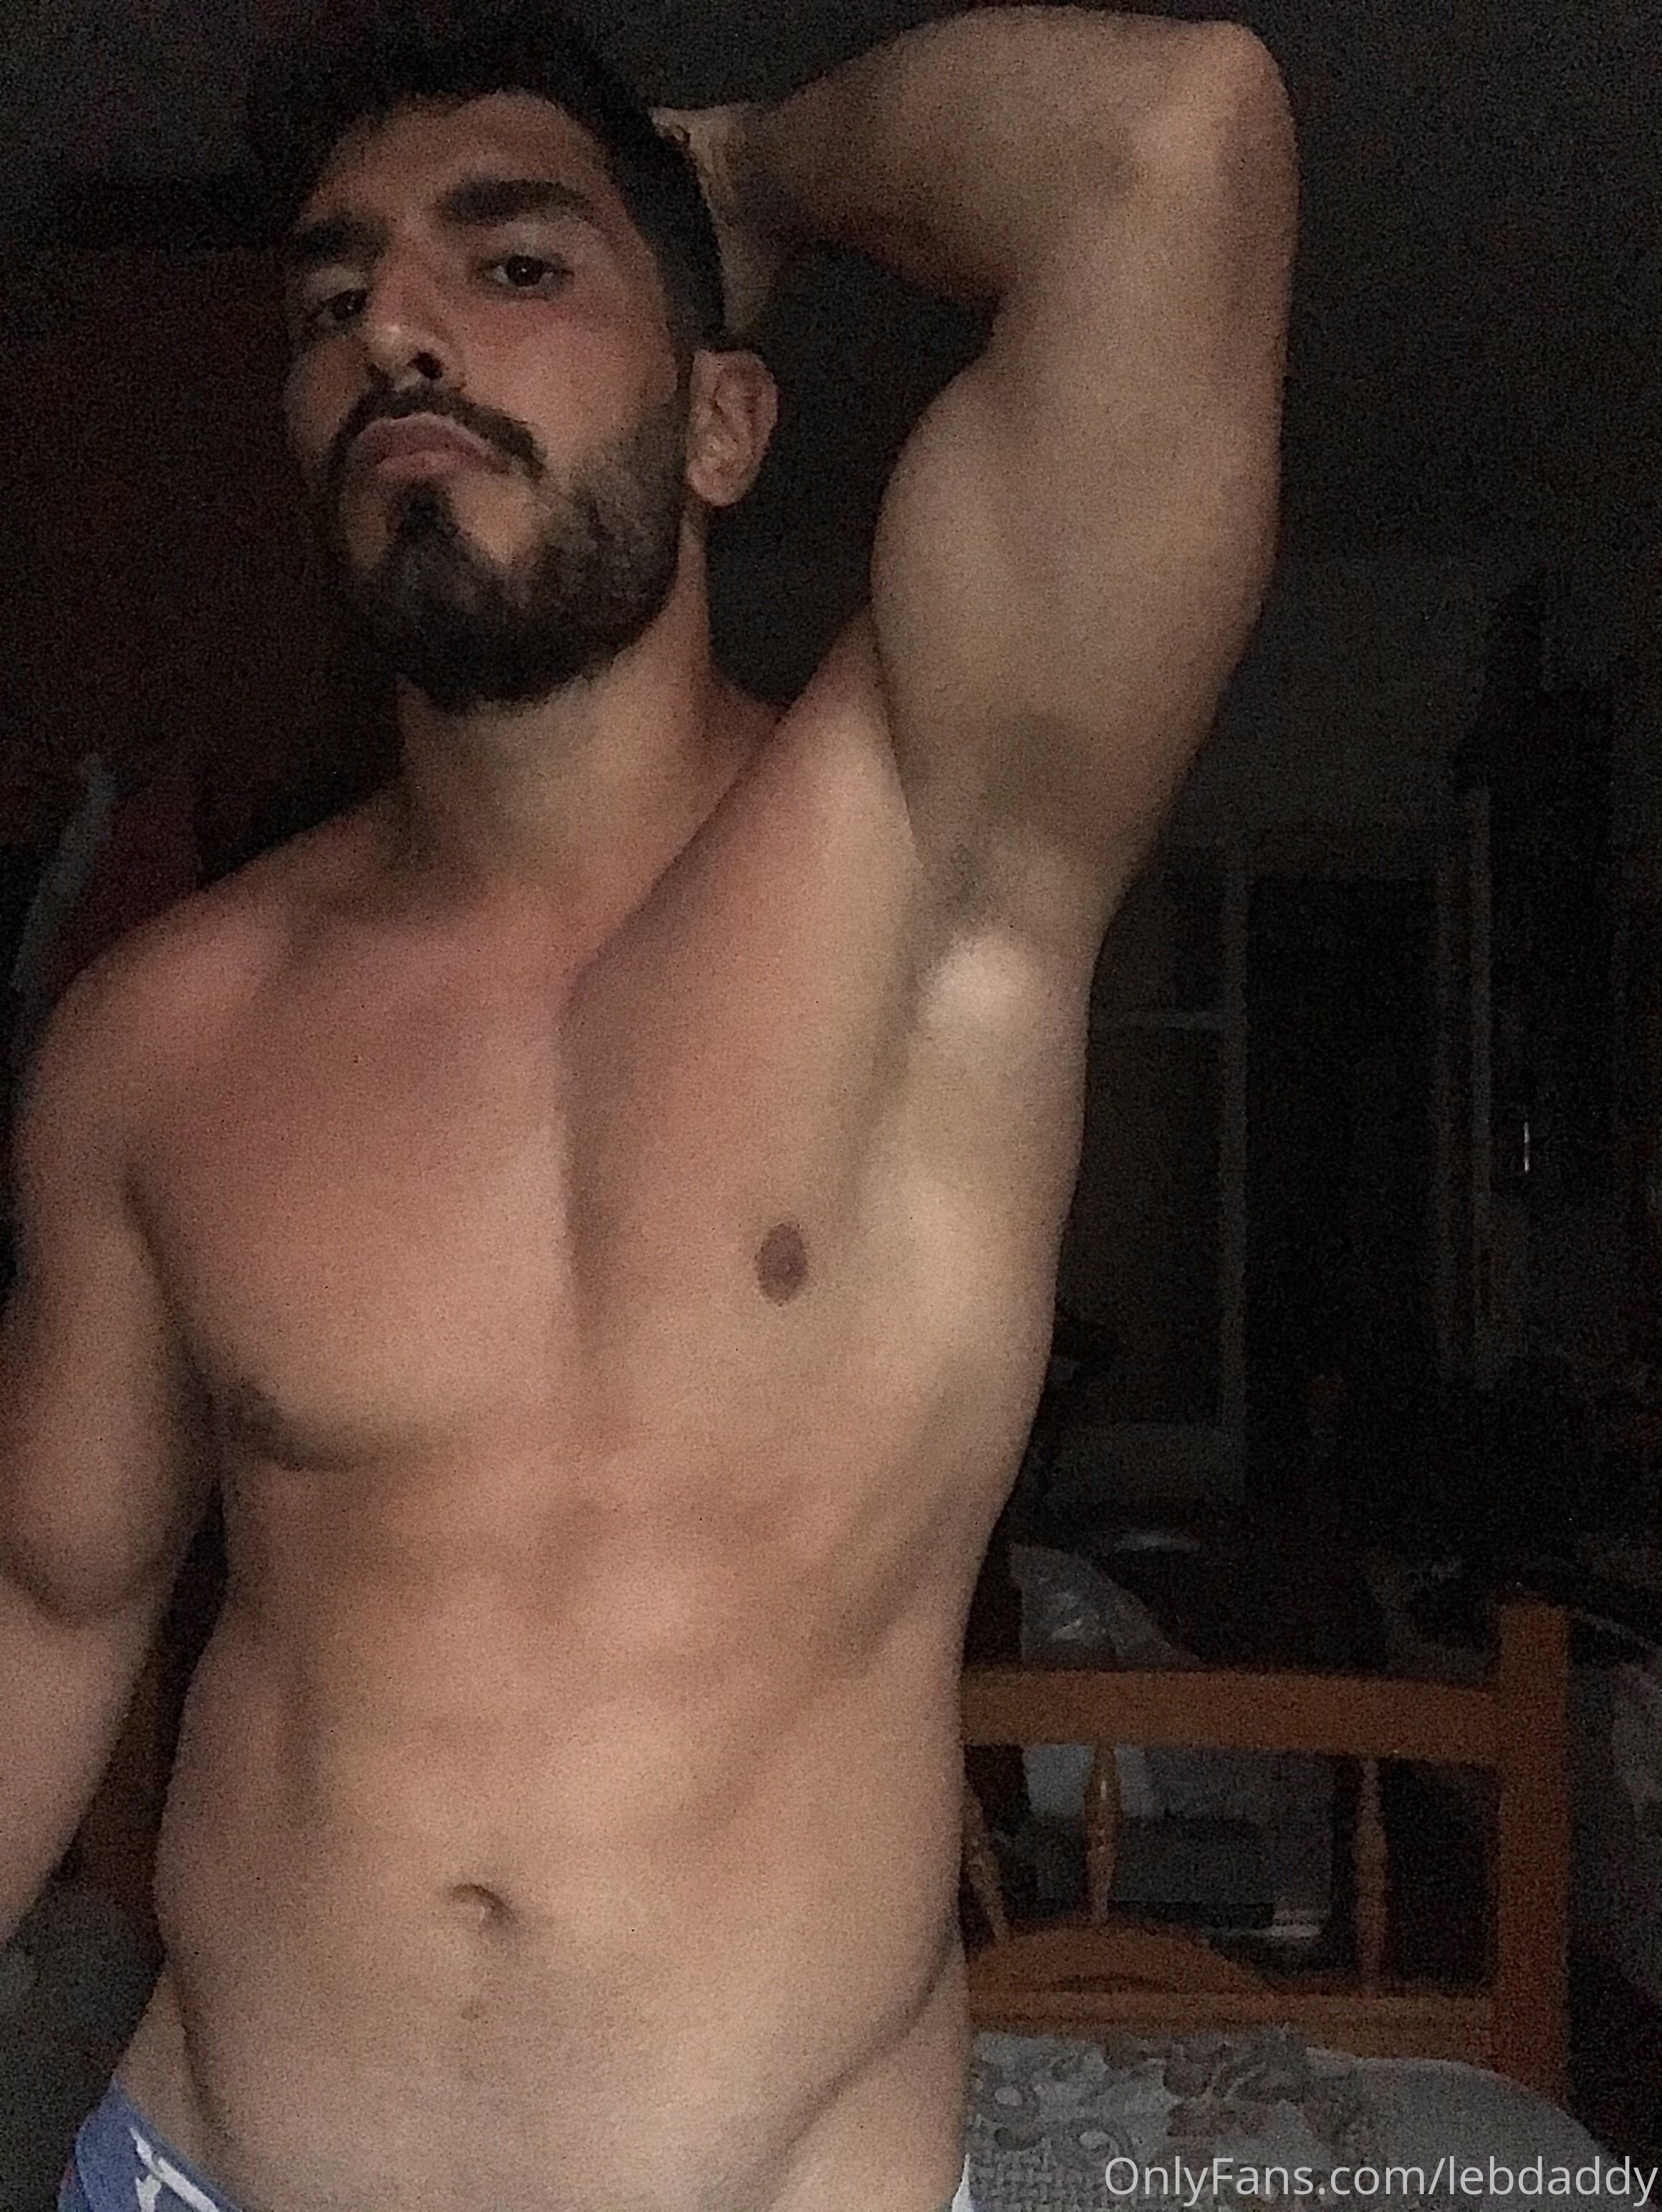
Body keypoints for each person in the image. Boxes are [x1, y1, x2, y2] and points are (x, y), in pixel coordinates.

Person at [0, 2, 1295, 2206]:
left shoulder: (935, 861)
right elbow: (48, 1605)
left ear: (721, 422)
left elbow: (1177, 141)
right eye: (333, 301)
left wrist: (752, 176)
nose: (396, 327)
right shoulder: (161, 1037)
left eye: (514, 262)